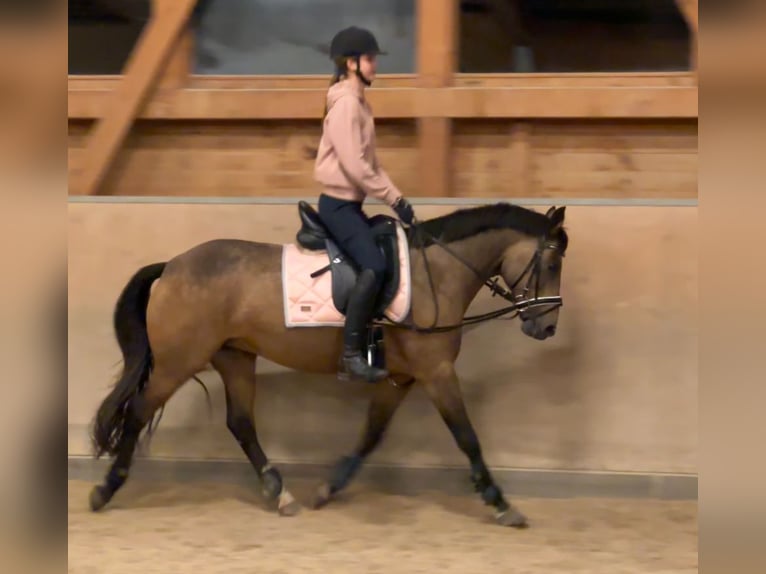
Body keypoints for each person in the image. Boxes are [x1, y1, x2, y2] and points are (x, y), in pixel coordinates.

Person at [313, 26, 416, 383]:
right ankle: (351, 355)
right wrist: (392, 197)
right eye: (370, 60)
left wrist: (398, 199)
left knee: (387, 246)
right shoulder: (344, 104)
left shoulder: (358, 103)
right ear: (351, 63)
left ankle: (373, 340)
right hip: (337, 206)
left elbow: (372, 165)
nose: (375, 66)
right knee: (373, 265)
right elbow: (355, 166)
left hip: (351, 204)